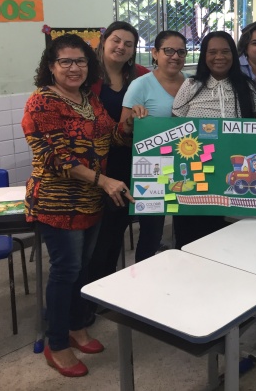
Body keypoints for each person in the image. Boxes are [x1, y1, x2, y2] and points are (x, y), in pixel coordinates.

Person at [23, 34, 135, 377]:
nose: (74, 68)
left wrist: (129, 124)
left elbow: (110, 137)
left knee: (81, 267)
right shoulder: (42, 103)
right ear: (51, 66)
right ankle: (56, 344)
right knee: (65, 270)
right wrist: (104, 181)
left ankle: (75, 327)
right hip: (57, 203)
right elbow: (57, 158)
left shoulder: (89, 99)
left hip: (90, 201)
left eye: (81, 61)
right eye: (66, 61)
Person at [171, 31, 256, 247]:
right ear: (204, 56)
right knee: (192, 243)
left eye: (225, 52)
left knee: (231, 245)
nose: (219, 57)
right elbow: (174, 130)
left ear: (234, 55)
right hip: (197, 177)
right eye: (212, 52)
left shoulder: (250, 87)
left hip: (236, 180)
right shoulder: (190, 86)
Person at [84, 21, 149, 324]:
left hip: (129, 163)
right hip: (94, 166)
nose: (121, 47)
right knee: (94, 235)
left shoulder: (140, 77)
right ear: (104, 41)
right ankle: (85, 296)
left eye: (128, 43)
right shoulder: (87, 76)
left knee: (116, 230)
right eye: (116, 40)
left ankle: (104, 290)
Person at [122, 30, 187, 261]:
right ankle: (143, 279)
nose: (175, 56)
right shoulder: (140, 85)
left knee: (187, 231)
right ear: (155, 53)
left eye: (181, 52)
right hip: (152, 170)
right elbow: (123, 129)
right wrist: (133, 119)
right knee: (151, 233)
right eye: (168, 50)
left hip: (188, 167)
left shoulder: (192, 83)